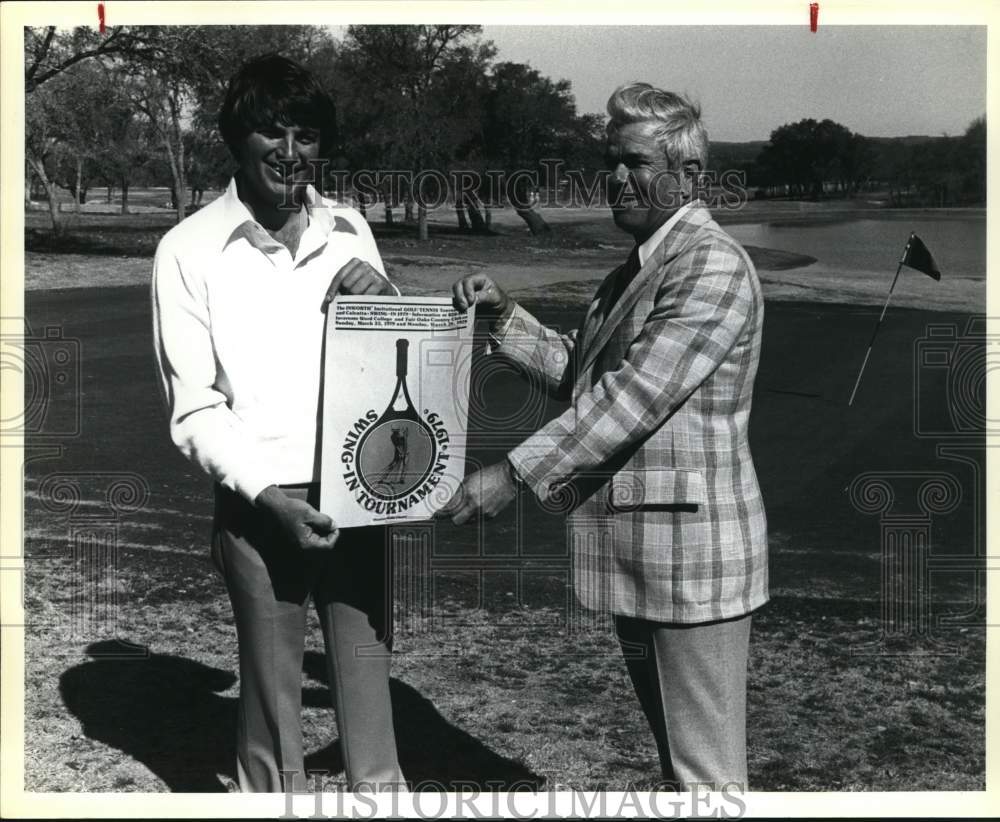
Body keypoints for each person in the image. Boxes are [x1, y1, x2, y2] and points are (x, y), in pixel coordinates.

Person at [446, 82, 768, 791]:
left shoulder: (708, 263)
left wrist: (514, 473)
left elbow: (634, 397)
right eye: (611, 160)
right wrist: (505, 318)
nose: (616, 176)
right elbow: (585, 374)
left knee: (707, 779)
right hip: (647, 552)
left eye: (636, 163)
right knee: (683, 769)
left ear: (689, 176)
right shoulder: (641, 264)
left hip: (693, 562)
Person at [151, 54, 404, 793]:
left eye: (307, 134)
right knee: (270, 727)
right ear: (238, 137)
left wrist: (386, 300)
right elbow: (195, 408)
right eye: (272, 130)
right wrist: (269, 499)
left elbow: (391, 370)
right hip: (262, 507)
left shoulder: (351, 228)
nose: (290, 152)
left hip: (357, 496)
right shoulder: (188, 249)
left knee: (369, 699)